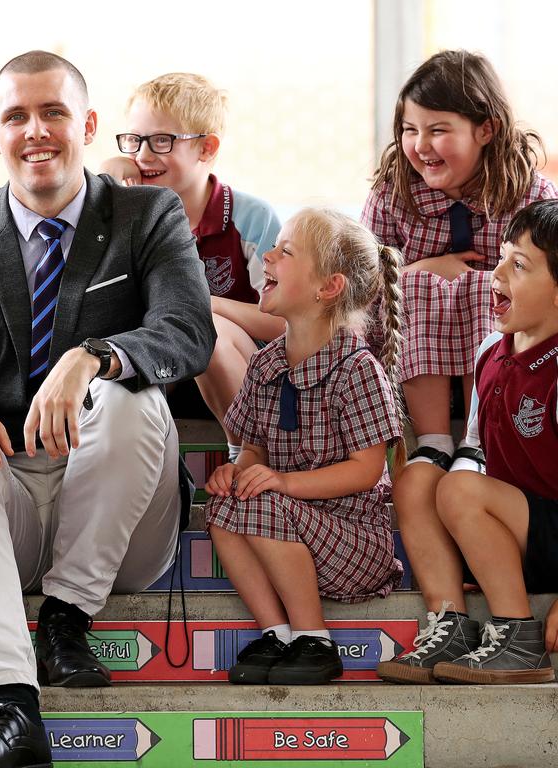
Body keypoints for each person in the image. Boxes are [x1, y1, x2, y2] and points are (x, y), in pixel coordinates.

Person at [0, 51, 214, 767]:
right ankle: (10, 710)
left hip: (120, 512)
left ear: (89, 124)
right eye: (16, 116)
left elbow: (188, 331)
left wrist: (92, 357)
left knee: (131, 397)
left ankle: (68, 617)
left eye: (53, 112)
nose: (35, 131)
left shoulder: (147, 214)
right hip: (6, 502)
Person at [205, 209, 405, 685]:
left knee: (268, 499)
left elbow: (365, 471)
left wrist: (281, 482)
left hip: (357, 544)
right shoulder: (265, 366)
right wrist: (241, 470)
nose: (268, 256)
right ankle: (278, 632)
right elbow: (252, 448)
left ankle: (314, 641)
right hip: (296, 530)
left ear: (328, 288)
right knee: (224, 506)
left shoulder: (357, 369)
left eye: (286, 251)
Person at [379, 200, 558, 685]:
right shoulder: (490, 351)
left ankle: (519, 638)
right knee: (418, 479)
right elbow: (478, 448)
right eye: (501, 257)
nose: (496, 273)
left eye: (518, 265)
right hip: (514, 529)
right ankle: (451, 624)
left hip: (552, 536)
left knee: (460, 490)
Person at [362, 50, 556, 471]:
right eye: (409, 130)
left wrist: (477, 280)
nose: (420, 145)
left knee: (485, 284)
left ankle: (477, 437)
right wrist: (423, 271)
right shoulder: (394, 193)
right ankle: (433, 442)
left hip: (507, 358)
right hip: (410, 362)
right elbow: (359, 282)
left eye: (438, 130)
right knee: (415, 281)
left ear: (486, 130)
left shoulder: (530, 195)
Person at [100, 73, 281, 461]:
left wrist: (203, 304)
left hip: (244, 372)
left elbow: (285, 323)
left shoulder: (250, 219)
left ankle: (248, 451)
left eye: (161, 141)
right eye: (134, 140)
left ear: (206, 147)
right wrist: (103, 189)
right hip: (162, 368)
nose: (143, 156)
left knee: (201, 327)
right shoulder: (131, 213)